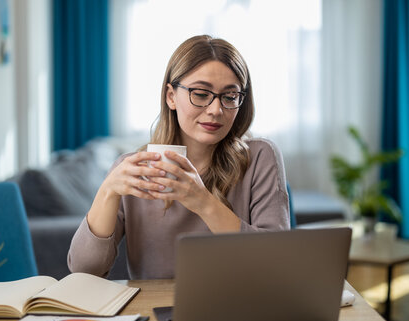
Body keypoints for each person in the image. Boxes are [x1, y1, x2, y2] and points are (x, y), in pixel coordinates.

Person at [68, 35, 290, 279]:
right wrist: (107, 191)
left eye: (229, 97)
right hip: (156, 312)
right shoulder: (133, 169)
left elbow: (275, 260)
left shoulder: (259, 156)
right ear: (171, 97)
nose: (216, 110)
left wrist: (202, 201)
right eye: (201, 94)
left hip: (239, 308)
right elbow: (84, 271)